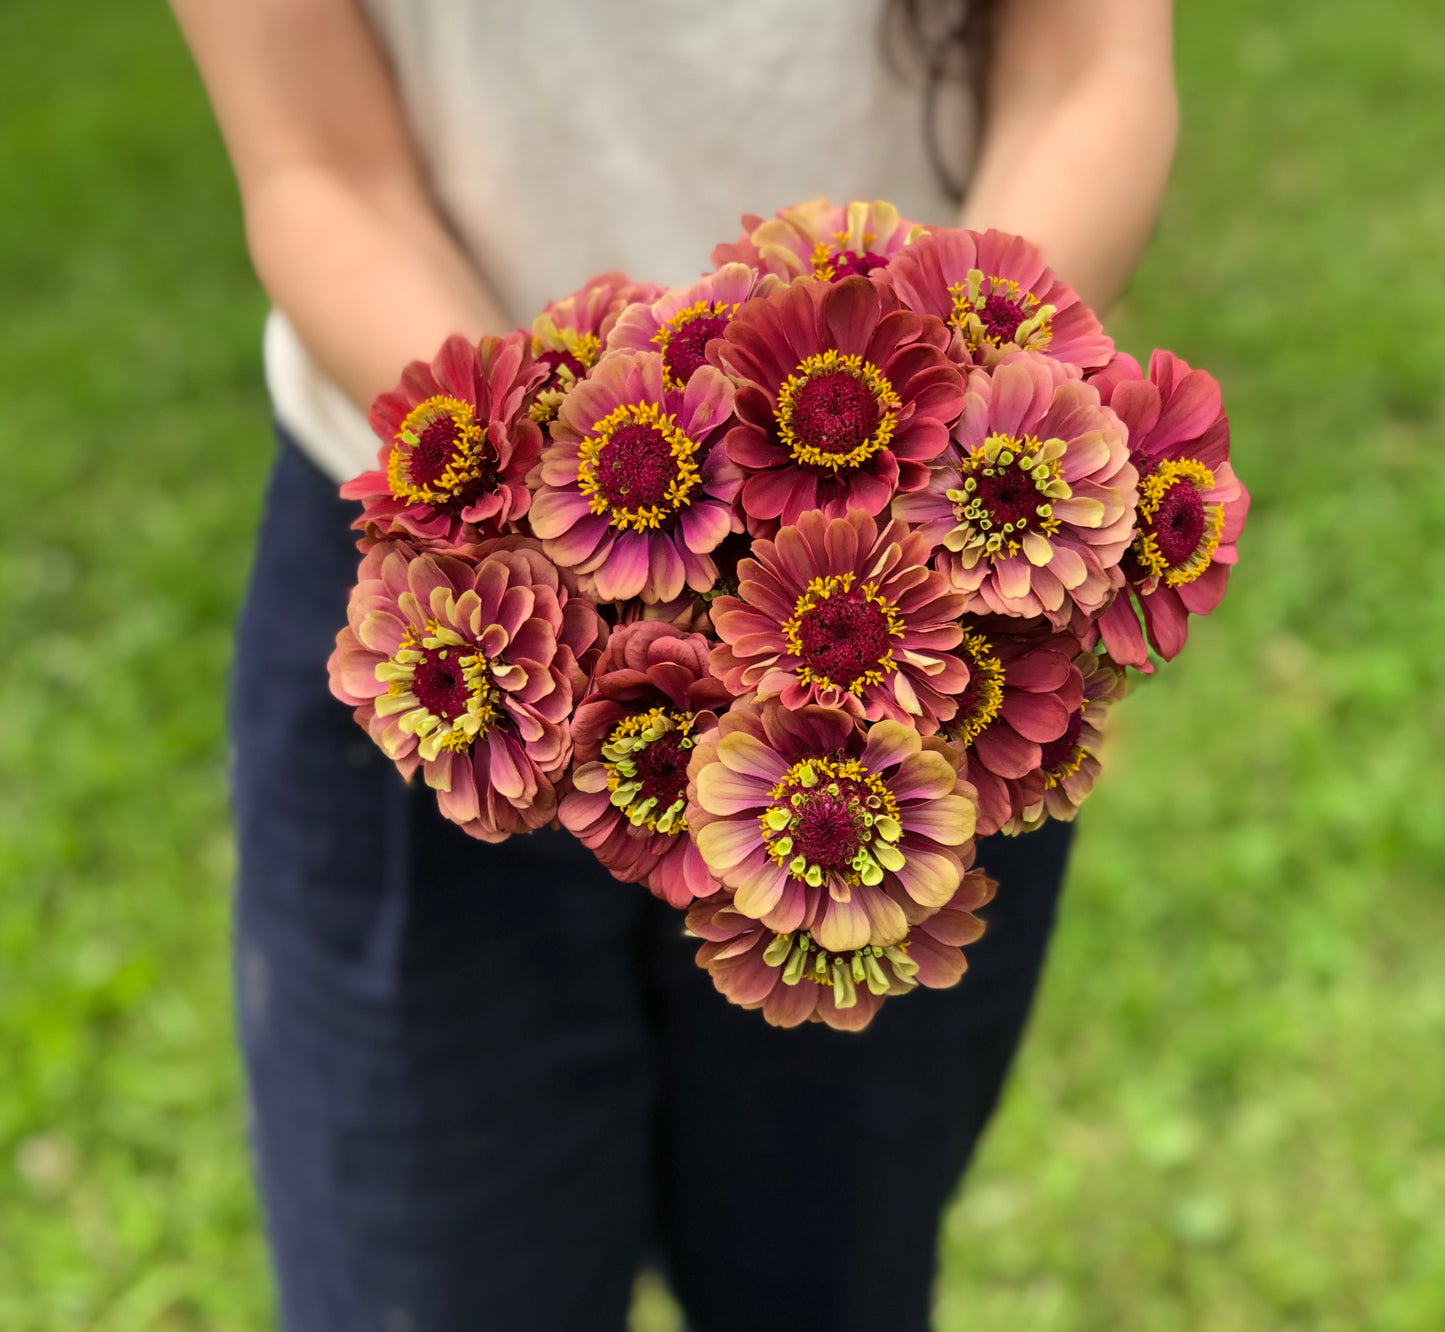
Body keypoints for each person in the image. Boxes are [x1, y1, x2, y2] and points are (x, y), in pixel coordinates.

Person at [169, 2, 1177, 1328]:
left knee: (829, 1276)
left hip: (923, 599)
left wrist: (943, 447)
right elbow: (324, 173)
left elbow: (1082, 71)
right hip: (443, 600)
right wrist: (542, 510)